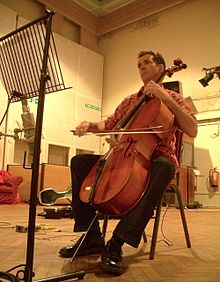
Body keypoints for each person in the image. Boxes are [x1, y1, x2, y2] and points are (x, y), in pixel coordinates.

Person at [59, 50, 197, 275]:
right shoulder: (131, 100)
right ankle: (92, 236)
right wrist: (89, 125)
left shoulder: (175, 99)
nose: (141, 67)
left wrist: (166, 98)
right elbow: (110, 124)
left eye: (147, 63)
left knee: (164, 167)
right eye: (139, 64)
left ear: (160, 68)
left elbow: (192, 129)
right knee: (80, 161)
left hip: (157, 159)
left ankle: (117, 243)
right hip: (126, 154)